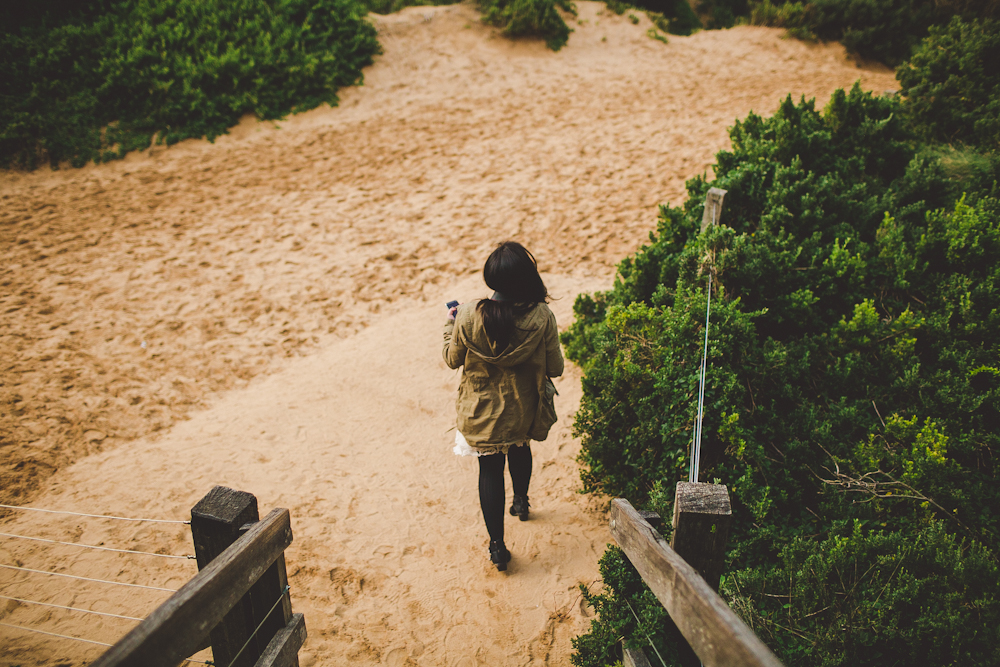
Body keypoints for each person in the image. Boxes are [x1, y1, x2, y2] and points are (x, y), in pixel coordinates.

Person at [442, 241, 564, 571]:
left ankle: (497, 547)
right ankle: (521, 502)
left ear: (492, 279)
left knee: (490, 471)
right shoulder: (542, 316)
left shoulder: (467, 314)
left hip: (481, 413)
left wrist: (450, 325)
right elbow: (556, 368)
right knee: (521, 450)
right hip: (523, 409)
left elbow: (452, 359)